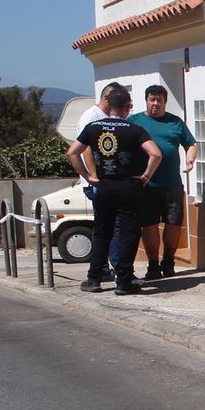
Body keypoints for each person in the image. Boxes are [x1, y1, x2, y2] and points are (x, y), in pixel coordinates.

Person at [67, 88, 161, 295]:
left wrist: (89, 176)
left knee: (102, 232)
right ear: (127, 108)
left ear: (109, 105)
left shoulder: (93, 128)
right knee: (128, 233)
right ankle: (124, 281)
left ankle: (94, 279)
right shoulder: (134, 130)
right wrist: (145, 176)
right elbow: (155, 154)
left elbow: (72, 152)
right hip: (128, 187)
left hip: (103, 187)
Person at [128, 84, 198, 279]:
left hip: (172, 184)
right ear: (146, 101)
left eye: (160, 100)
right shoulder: (135, 121)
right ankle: (153, 265)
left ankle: (168, 261)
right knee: (149, 225)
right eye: (152, 99)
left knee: (173, 224)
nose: (156, 103)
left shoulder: (175, 122)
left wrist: (190, 159)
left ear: (165, 102)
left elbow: (191, 144)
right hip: (146, 185)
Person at [78, 82, 128, 279]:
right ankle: (112, 269)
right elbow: (85, 148)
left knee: (108, 228)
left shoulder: (107, 118)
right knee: (109, 228)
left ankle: (103, 269)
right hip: (98, 184)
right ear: (107, 98)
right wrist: (92, 177)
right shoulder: (92, 117)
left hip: (109, 183)